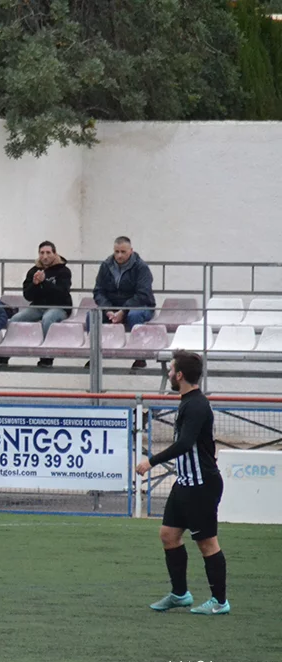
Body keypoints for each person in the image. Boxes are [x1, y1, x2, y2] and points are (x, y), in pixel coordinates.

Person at [136, 350, 229, 615]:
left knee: (207, 543)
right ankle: (180, 594)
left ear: (179, 375)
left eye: (171, 370)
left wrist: (151, 461)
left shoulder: (197, 404)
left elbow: (185, 443)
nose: (168, 374)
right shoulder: (187, 401)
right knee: (168, 535)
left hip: (201, 485)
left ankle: (220, 602)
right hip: (185, 483)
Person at [93, 236, 156, 368]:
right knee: (91, 316)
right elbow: (98, 291)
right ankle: (94, 355)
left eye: (123, 252)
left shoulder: (141, 267)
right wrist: (108, 309)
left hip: (140, 306)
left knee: (134, 315)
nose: (119, 255)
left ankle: (139, 356)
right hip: (113, 306)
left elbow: (143, 294)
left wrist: (123, 310)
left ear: (131, 251)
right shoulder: (106, 266)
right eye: (116, 252)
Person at [11, 241, 73, 367]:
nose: (45, 256)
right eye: (42, 253)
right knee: (16, 319)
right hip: (38, 307)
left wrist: (45, 282)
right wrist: (35, 284)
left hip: (59, 307)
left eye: (48, 253)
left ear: (55, 254)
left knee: (48, 319)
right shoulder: (33, 271)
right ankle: (4, 355)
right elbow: (28, 296)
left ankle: (47, 356)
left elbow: (61, 293)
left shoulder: (64, 271)